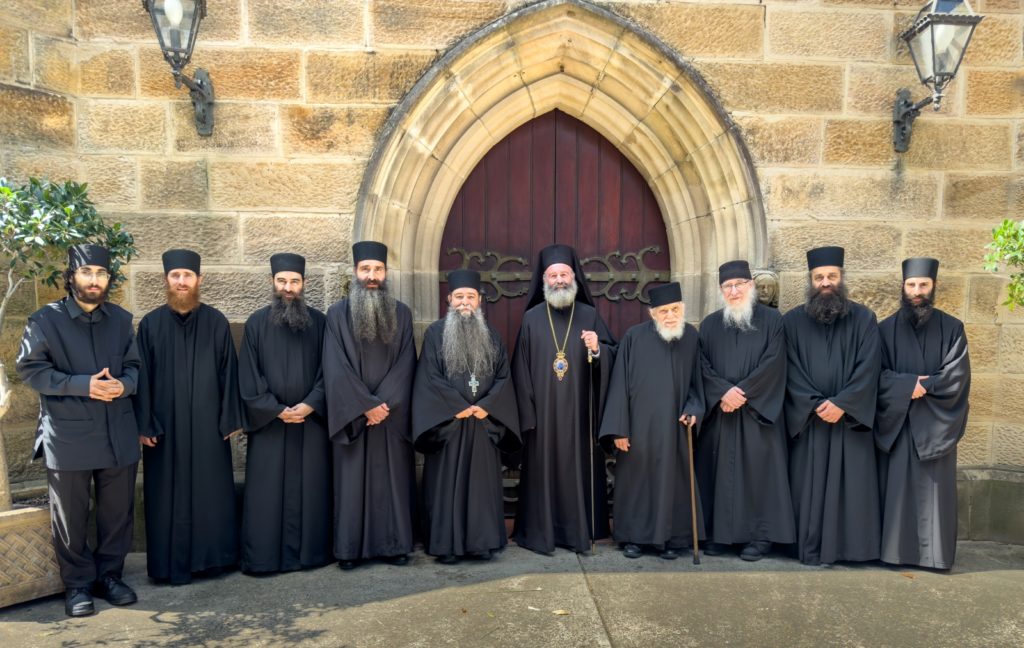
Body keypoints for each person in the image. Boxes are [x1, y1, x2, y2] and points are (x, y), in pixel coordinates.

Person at [16, 244, 140, 616]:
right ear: (71, 277)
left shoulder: (120, 320)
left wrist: (124, 385)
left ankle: (110, 577)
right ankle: (77, 585)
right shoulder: (44, 320)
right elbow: (32, 370)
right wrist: (84, 384)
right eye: (87, 273)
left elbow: (135, 367)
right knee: (69, 516)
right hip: (67, 434)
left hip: (116, 430)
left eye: (101, 274)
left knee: (117, 512)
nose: (94, 280)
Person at [135, 249, 242, 584]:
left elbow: (229, 374)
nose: (182, 281)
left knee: (211, 495)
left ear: (199, 280)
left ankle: (214, 560)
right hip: (164, 432)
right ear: (166, 280)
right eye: (175, 276)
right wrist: (144, 424)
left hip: (209, 429)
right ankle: (169, 566)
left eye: (188, 276)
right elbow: (141, 379)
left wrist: (230, 420)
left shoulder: (217, 322)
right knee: (166, 496)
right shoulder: (150, 325)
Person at [511, 244, 616, 554]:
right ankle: (542, 531)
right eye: (553, 275)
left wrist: (598, 349)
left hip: (580, 417)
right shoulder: (531, 318)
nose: (559, 280)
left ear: (575, 278)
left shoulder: (590, 315)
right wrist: (528, 415)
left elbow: (614, 357)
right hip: (543, 419)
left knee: (578, 472)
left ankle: (580, 531)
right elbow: (520, 370)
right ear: (544, 279)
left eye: (564, 274)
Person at [412, 269, 521, 564]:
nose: (464, 302)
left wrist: (487, 405)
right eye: (459, 296)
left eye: (470, 297)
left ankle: (482, 543)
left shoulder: (493, 336)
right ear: (449, 299)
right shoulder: (435, 334)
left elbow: (503, 376)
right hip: (449, 426)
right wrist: (454, 405)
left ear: (479, 300)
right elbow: (429, 376)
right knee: (447, 486)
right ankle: (447, 546)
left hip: (483, 424)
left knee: (481, 488)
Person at [783, 246, 882, 566]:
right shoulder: (792, 322)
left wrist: (843, 404)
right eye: (819, 277)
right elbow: (789, 368)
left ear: (841, 278)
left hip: (849, 422)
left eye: (831, 276)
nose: (825, 282)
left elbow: (870, 368)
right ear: (810, 281)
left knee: (850, 490)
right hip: (809, 422)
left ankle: (849, 551)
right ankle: (807, 548)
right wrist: (813, 404)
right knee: (806, 489)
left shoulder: (865, 319)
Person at [323, 241, 417, 569]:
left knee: (392, 484)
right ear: (355, 273)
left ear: (386, 273)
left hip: (391, 419)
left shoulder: (402, 314)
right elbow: (334, 367)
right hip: (354, 418)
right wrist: (364, 405)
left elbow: (408, 363)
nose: (372, 276)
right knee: (351, 486)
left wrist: (384, 405)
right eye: (366, 269)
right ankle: (350, 551)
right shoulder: (336, 315)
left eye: (378, 269)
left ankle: (396, 547)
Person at [238, 253, 332, 574]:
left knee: (311, 492)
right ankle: (264, 559)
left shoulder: (320, 324)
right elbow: (249, 377)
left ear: (303, 284)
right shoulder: (255, 324)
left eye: (294, 281)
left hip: (311, 424)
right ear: (272, 283)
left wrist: (311, 404)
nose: (288, 288)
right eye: (282, 281)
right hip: (270, 428)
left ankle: (311, 556)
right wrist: (276, 410)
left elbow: (329, 371)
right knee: (266, 498)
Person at [876, 257, 970, 570]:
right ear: (903, 287)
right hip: (900, 425)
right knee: (897, 491)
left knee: (935, 491)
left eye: (923, 285)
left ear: (933, 286)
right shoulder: (884, 329)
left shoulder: (953, 328)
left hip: (935, 425)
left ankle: (935, 557)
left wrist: (925, 386)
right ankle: (894, 554)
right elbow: (875, 375)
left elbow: (957, 377)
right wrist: (906, 385)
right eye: (912, 285)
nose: (917, 291)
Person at [599, 282, 705, 559]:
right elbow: (619, 384)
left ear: (681, 310)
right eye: (663, 311)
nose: (669, 316)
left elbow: (699, 383)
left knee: (673, 485)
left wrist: (695, 408)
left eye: (674, 310)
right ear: (653, 313)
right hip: (638, 429)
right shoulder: (634, 337)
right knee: (637, 485)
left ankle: (670, 540)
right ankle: (635, 539)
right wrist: (619, 430)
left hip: (675, 428)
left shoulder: (691, 337)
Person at [697, 260, 794, 561]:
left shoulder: (772, 320)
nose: (734, 290)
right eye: (728, 286)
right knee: (718, 475)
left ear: (751, 285)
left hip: (757, 415)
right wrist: (722, 392)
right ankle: (721, 536)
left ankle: (759, 538)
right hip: (722, 414)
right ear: (721, 290)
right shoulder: (710, 324)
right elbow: (701, 365)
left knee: (759, 477)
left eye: (740, 284)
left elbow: (775, 362)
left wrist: (744, 393)